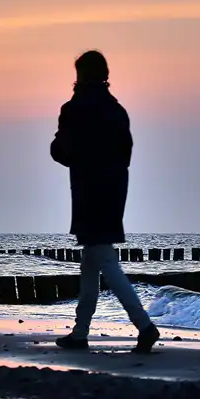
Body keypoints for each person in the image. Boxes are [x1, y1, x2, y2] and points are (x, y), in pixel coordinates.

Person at [50, 50, 160, 354]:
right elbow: (126, 153)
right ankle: (80, 332)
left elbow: (62, 150)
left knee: (106, 262)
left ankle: (145, 326)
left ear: (81, 75)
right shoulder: (117, 110)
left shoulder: (74, 108)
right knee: (91, 262)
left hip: (88, 191)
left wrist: (63, 150)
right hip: (114, 191)